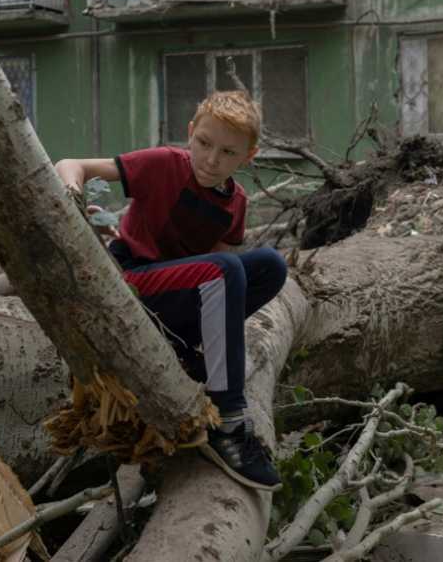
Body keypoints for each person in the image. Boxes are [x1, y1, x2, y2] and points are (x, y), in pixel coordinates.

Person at [54, 90, 287, 491]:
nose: (212, 160)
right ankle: (228, 422)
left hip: (180, 292)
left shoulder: (236, 203)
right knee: (227, 268)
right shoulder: (163, 163)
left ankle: (193, 358)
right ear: (190, 132)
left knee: (271, 266)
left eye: (228, 153)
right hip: (134, 285)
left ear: (249, 157)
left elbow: (221, 280)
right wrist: (73, 200)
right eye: (204, 143)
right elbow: (71, 164)